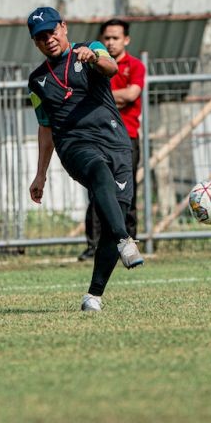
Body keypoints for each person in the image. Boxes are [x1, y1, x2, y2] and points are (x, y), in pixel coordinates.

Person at [26, 6, 144, 312]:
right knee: (98, 171)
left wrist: (94, 59)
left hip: (116, 142)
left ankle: (94, 295)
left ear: (64, 27)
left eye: (51, 32)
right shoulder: (37, 81)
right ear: (35, 42)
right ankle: (124, 240)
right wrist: (41, 174)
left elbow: (111, 68)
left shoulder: (90, 49)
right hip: (75, 146)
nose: (48, 39)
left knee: (113, 212)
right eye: (40, 37)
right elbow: (45, 125)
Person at [79, 18, 146, 261]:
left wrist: (102, 96)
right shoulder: (95, 65)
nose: (110, 42)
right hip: (97, 137)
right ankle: (93, 246)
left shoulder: (135, 66)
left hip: (127, 138)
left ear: (126, 40)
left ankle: (129, 244)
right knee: (97, 192)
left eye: (115, 38)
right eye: (106, 38)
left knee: (127, 194)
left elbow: (131, 95)